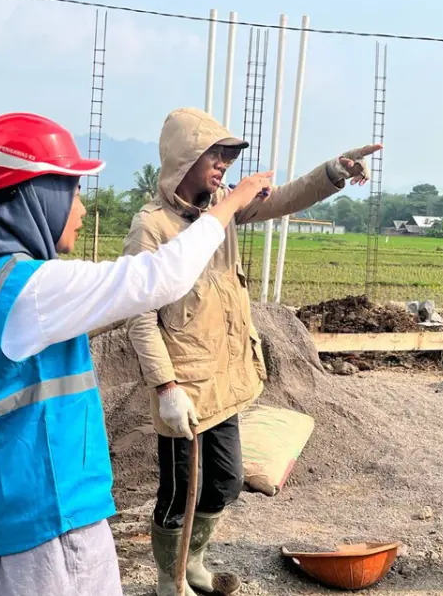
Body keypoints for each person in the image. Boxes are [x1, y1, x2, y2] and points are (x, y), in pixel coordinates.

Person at [0, 112, 274, 596]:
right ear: (39, 197)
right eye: (71, 192)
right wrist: (233, 203)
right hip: (47, 528)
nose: (79, 209)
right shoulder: (33, 290)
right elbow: (162, 278)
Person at [123, 107, 382, 596]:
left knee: (224, 481)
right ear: (184, 158)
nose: (222, 165)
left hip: (228, 377)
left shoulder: (224, 209)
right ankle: (169, 577)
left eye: (226, 156)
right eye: (213, 155)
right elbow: (139, 316)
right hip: (186, 385)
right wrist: (165, 385)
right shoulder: (152, 227)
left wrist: (333, 172)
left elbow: (283, 199)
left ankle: (193, 560)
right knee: (179, 492)